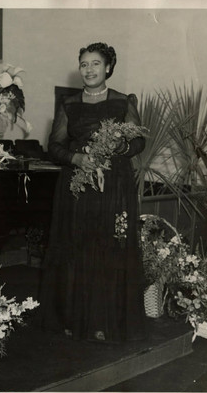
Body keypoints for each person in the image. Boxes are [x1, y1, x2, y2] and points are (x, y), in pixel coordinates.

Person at [38, 42, 146, 342]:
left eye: (95, 64)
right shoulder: (68, 105)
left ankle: (104, 322)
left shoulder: (124, 102)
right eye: (84, 64)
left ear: (108, 67)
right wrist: (78, 159)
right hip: (77, 187)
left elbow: (138, 142)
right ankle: (73, 319)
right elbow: (54, 146)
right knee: (77, 248)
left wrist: (118, 146)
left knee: (107, 248)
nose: (89, 70)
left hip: (114, 187)